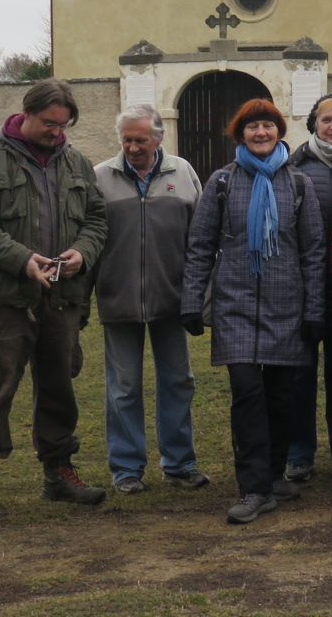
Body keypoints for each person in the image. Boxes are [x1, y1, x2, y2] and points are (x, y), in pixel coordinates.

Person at [0, 79, 108, 522]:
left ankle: (58, 473)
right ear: (27, 113)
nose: (55, 133)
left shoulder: (77, 163)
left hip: (62, 299)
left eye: (63, 125)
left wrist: (84, 250)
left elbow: (97, 219)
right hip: (5, 299)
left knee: (59, 387)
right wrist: (22, 260)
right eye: (48, 123)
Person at [181, 99, 325, 524]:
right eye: (252, 127)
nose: (260, 133)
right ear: (239, 134)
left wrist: (314, 310)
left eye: (267, 126)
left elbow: (313, 252)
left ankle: (274, 473)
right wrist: (192, 301)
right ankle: (254, 487)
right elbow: (200, 245)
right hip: (235, 305)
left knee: (281, 398)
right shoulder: (222, 182)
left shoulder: (299, 184)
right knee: (247, 395)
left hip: (286, 306)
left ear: (279, 131)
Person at [92, 104, 210, 496]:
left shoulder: (183, 173)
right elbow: (89, 240)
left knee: (178, 381)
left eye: (141, 139)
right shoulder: (100, 178)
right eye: (126, 139)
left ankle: (179, 464)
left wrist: (200, 294)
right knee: (123, 387)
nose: (132, 147)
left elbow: (201, 237)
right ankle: (126, 468)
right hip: (119, 299)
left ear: (159, 138)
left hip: (173, 299)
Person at [283, 93, 332, 482]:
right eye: (326, 120)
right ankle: (299, 452)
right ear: (314, 124)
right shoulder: (294, 167)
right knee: (300, 376)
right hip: (304, 289)